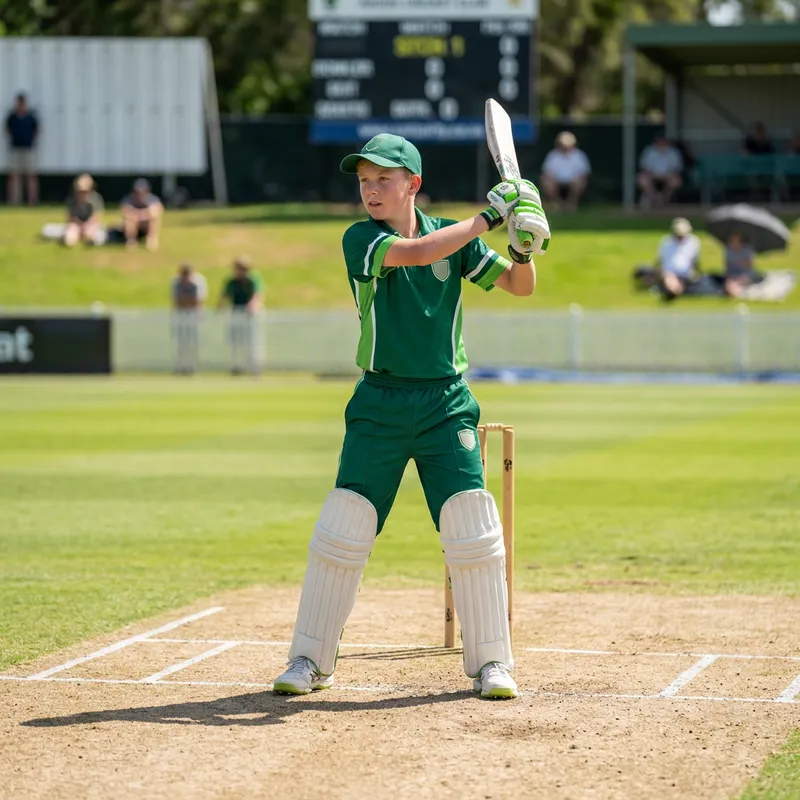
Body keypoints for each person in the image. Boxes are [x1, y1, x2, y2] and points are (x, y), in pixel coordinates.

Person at [271, 133, 550, 700]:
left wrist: (522, 243)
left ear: (413, 184)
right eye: (364, 181)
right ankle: (310, 659)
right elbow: (421, 254)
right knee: (344, 524)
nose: (371, 191)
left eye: (383, 180)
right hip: (380, 401)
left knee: (471, 525)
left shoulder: (454, 234)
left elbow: (521, 286)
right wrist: (489, 215)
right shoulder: (362, 239)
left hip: (446, 403)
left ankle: (492, 664)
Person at [217, 256, 264, 375]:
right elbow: (224, 295)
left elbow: (257, 295)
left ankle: (253, 366)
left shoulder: (252, 280)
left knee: (251, 342)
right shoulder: (232, 282)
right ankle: (237, 366)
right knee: (236, 342)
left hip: (249, 316)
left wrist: (252, 305)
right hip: (236, 314)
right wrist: (221, 305)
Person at [540, 131, 591, 212]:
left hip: (573, 181)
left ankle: (571, 205)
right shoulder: (553, 155)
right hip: (556, 181)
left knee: (579, 182)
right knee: (546, 181)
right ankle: (557, 205)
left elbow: (583, 173)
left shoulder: (579, 155)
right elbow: (547, 172)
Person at [171, 264, 208, 374]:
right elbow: (177, 300)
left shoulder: (197, 283)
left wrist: (188, 302)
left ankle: (193, 365)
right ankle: (181, 365)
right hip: (181, 316)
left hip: (194, 317)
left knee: (193, 341)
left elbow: (197, 301)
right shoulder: (176, 282)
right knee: (181, 342)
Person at [5, 93, 39, 206]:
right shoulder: (12, 117)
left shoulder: (31, 118)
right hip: (15, 149)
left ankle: (32, 201)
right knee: (15, 176)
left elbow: (35, 132)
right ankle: (15, 201)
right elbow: (8, 131)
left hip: (28, 149)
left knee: (30, 176)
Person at [655, 217, 701, 301]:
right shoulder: (666, 242)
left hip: (686, 273)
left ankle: (675, 291)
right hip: (670, 272)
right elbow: (660, 260)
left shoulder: (693, 242)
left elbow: (695, 261)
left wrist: (696, 272)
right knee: (670, 278)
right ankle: (673, 290)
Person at [637, 135, 683, 208]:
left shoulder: (673, 152)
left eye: (663, 141)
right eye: (659, 141)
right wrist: (652, 174)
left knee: (676, 181)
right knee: (642, 179)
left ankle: (664, 199)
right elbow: (644, 166)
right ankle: (654, 198)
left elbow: (676, 168)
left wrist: (668, 174)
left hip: (668, 176)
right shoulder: (649, 151)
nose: (661, 143)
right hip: (652, 175)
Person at [120, 178, 164, 251]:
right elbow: (124, 210)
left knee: (153, 215)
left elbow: (159, 209)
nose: (140, 194)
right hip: (133, 225)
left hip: (146, 225)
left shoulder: (152, 199)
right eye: (137, 192)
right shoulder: (129, 199)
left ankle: (151, 240)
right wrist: (137, 215)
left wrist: (143, 214)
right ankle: (131, 240)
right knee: (130, 218)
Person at [63, 174, 104, 247]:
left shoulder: (96, 199)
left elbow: (97, 217)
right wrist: (78, 224)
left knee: (92, 236)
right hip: (76, 224)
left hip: (91, 224)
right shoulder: (71, 200)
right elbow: (69, 217)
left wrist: (87, 225)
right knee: (69, 239)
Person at [723, 232, 759, 298]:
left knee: (741, 280)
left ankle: (736, 290)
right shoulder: (728, 250)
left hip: (745, 273)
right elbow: (727, 265)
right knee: (730, 281)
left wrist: (739, 262)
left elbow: (750, 265)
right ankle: (733, 290)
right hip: (733, 273)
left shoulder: (747, 249)